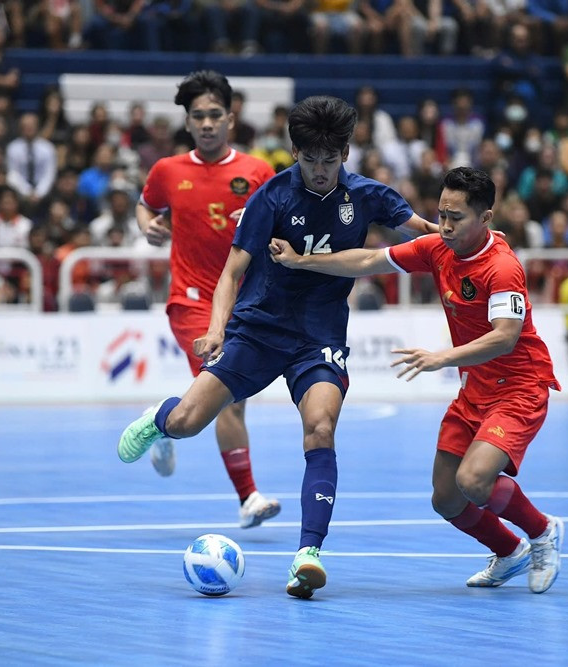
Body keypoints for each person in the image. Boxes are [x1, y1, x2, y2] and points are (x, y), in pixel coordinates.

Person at [118, 95, 437, 598]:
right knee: (186, 423)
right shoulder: (271, 198)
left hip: (320, 337)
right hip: (258, 328)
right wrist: (218, 329)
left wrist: (462, 238)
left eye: (329, 161)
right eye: (309, 160)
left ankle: (308, 552)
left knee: (321, 427)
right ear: (295, 154)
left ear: (345, 155)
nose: (319, 171)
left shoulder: (368, 195)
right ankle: (158, 418)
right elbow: (230, 274)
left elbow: (419, 229)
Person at [268, 166, 564, 594]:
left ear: (485, 219)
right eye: (441, 213)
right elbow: (369, 260)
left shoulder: (502, 269)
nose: (444, 224)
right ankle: (509, 551)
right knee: (445, 497)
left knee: (473, 481)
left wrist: (441, 358)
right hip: (476, 388)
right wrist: (301, 261)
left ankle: (542, 531)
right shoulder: (438, 248)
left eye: (456, 217)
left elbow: (504, 338)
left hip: (519, 387)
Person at [135, 70, 281, 528]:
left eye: (215, 114)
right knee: (229, 396)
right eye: (198, 116)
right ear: (188, 122)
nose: (207, 123)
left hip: (246, 301)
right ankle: (249, 498)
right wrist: (146, 224)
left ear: (230, 119)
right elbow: (147, 204)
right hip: (192, 299)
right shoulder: (167, 171)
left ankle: (164, 421)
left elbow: (281, 224)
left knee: (222, 397)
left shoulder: (257, 172)